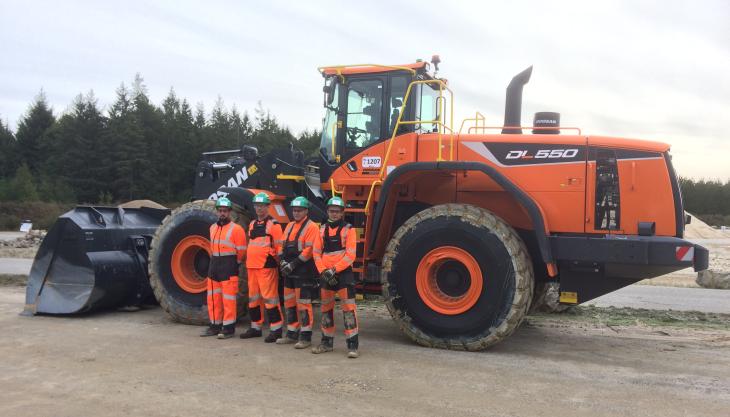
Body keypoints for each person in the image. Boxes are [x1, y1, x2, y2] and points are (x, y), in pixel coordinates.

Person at [312, 196, 360, 358]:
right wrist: (324, 271)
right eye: (332, 211)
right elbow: (316, 253)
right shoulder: (321, 230)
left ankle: (352, 346)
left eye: (337, 212)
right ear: (327, 212)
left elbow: (351, 255)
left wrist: (334, 269)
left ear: (342, 213)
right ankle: (326, 343)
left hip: (344, 274)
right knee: (326, 309)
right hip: (326, 274)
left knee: (349, 309)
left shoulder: (349, 230)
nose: (334, 214)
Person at [239, 192, 285, 343]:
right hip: (252, 267)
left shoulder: (274, 225)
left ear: (268, 207)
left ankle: (276, 329)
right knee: (253, 299)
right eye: (257, 206)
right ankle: (255, 328)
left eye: (262, 206)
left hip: (267, 267)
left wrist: (278, 263)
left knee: (270, 299)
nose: (259, 209)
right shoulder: (252, 224)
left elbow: (280, 248)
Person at [276, 196, 320, 348]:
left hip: (303, 271)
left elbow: (309, 250)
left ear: (306, 211)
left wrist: (292, 264)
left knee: (303, 304)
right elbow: (281, 244)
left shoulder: (312, 227)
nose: (296, 213)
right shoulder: (289, 226)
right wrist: (281, 260)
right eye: (294, 210)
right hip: (289, 270)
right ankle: (291, 333)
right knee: (289, 302)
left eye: (299, 210)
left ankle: (305, 337)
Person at [200, 197, 246, 339]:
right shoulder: (212, 228)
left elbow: (242, 251)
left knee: (228, 299)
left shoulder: (236, 229)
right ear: (217, 212)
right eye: (220, 211)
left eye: (225, 211)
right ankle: (214, 325)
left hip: (229, 265)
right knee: (213, 298)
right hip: (214, 265)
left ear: (229, 212)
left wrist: (235, 263)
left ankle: (228, 328)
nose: (222, 214)